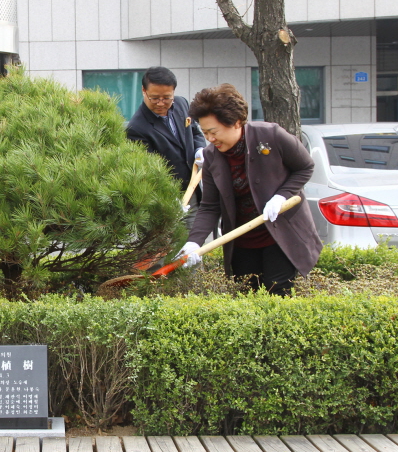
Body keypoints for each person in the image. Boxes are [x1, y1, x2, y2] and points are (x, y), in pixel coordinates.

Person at [176, 84, 322, 295]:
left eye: (214, 131)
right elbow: (210, 206)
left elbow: (305, 167)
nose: (210, 139)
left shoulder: (271, 135)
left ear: (236, 122)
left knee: (277, 289)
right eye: (205, 132)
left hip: (279, 235)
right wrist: (193, 242)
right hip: (242, 240)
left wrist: (282, 196)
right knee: (247, 292)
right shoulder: (211, 157)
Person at [126, 66, 206, 228]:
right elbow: (146, 171)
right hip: (165, 199)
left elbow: (195, 133)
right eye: (154, 98)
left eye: (167, 97)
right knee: (169, 247)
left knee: (194, 241)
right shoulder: (137, 128)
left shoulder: (182, 104)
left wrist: (199, 150)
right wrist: (167, 198)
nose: (161, 103)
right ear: (144, 91)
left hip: (193, 188)